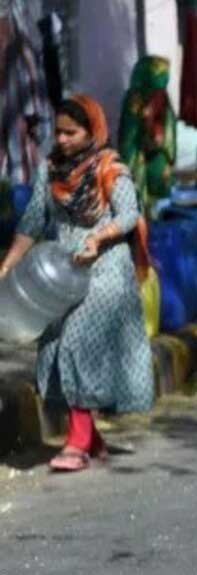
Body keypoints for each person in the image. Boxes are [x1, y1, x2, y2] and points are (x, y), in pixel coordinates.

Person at [0, 95, 154, 472]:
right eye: (60, 131)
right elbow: (32, 223)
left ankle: (79, 441)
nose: (63, 139)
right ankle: (90, 436)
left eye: (72, 132)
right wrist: (7, 266)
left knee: (77, 341)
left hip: (105, 268)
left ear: (92, 131)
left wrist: (98, 239)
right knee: (53, 342)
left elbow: (130, 214)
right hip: (62, 270)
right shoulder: (51, 170)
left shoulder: (109, 167)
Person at [118, 55, 176, 208]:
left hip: (158, 151)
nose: (163, 81)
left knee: (160, 182)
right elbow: (131, 133)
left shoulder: (161, 95)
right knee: (139, 193)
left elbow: (168, 121)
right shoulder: (135, 98)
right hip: (138, 151)